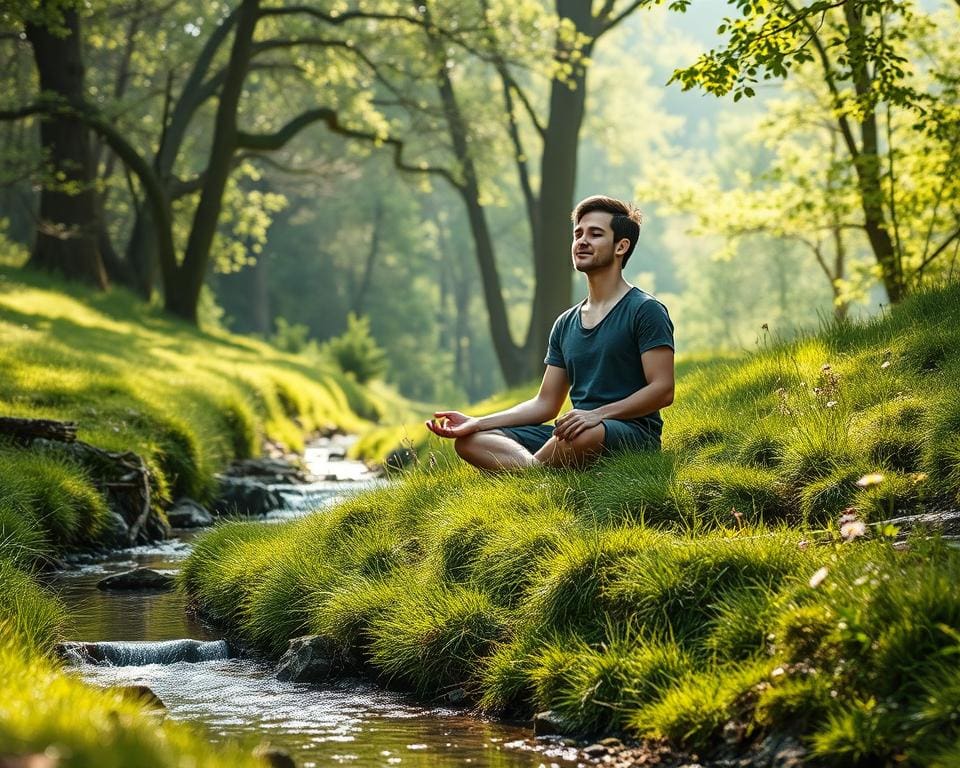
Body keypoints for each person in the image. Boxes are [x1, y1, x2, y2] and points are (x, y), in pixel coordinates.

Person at [425, 194, 675, 471]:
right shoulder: (566, 323)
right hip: (575, 431)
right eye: (578, 233)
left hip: (627, 434)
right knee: (471, 441)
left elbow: (662, 390)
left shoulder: (645, 310)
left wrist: (597, 415)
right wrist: (477, 422)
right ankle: (537, 470)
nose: (582, 241)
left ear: (621, 246)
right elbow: (545, 404)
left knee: (582, 433)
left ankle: (530, 471)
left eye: (595, 234)